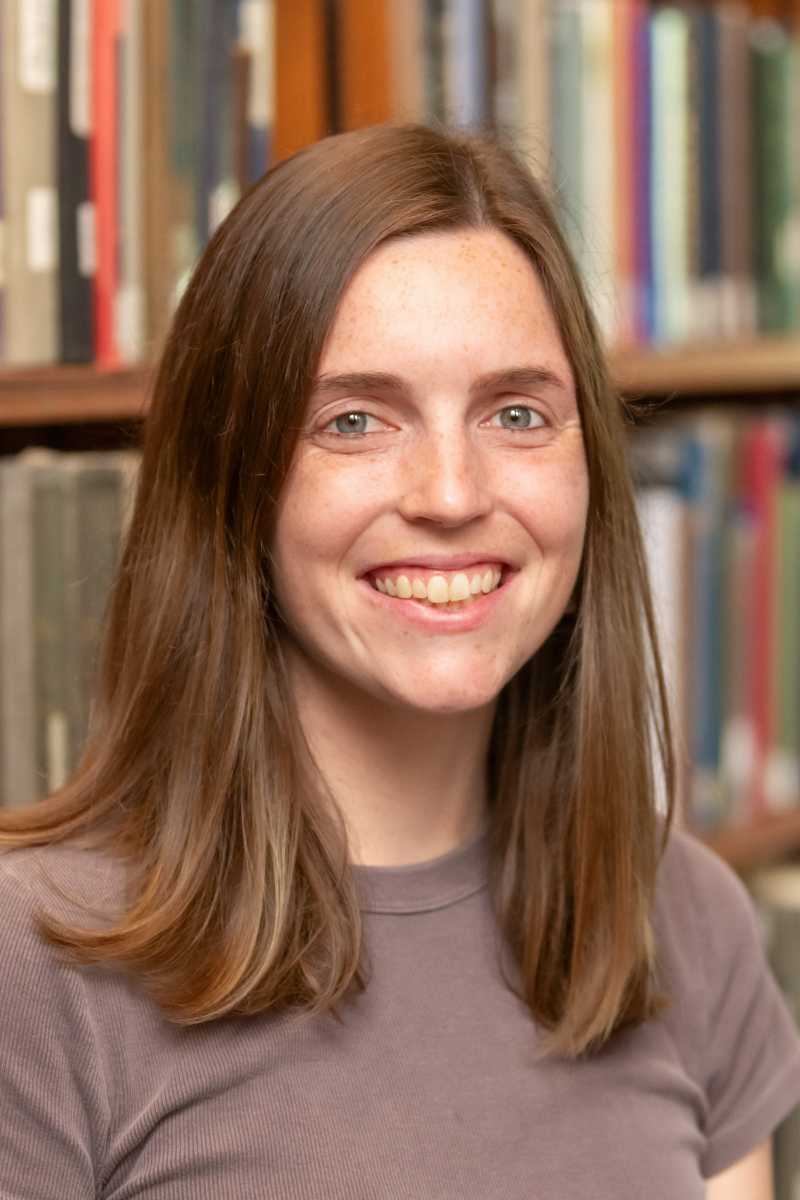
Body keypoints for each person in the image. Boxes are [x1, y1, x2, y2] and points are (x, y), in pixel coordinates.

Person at [0, 122, 798, 1200]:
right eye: (354, 421)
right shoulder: (35, 968)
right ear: (232, 479)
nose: (452, 493)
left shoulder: (679, 917)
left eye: (516, 412)